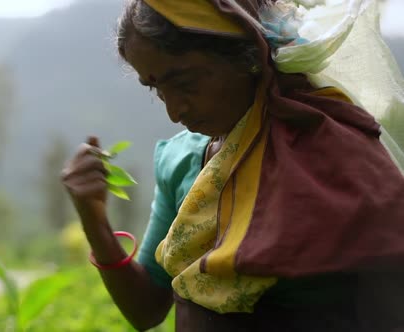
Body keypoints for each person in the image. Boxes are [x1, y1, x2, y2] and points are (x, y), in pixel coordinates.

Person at [61, 0, 404, 331]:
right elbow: (147, 308)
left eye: (185, 83)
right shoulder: (180, 161)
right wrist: (94, 219)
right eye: (156, 89)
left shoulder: (326, 148)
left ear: (248, 55)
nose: (173, 111)